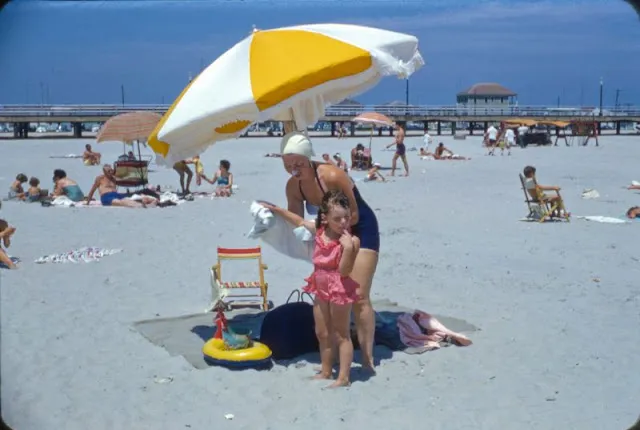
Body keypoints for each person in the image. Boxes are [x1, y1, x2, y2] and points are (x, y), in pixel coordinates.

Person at [280, 129, 379, 370]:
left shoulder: (332, 175)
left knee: (360, 296)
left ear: (309, 158)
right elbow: (297, 219)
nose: (294, 168)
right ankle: (334, 357)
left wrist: (323, 229)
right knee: (332, 293)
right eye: (288, 164)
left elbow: (353, 214)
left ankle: (367, 358)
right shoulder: (294, 186)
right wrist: (271, 215)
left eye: (299, 163)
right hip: (331, 230)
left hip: (360, 228)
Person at [262, 190, 359, 388]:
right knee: (322, 331)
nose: (343, 223)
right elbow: (298, 221)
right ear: (325, 217)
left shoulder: (351, 241)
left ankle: (344, 377)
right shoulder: (320, 231)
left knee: (341, 333)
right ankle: (325, 370)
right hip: (320, 284)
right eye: (337, 218)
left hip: (339, 286)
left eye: (346, 218)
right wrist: (276, 209)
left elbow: (345, 271)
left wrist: (348, 249)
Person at [85, 164, 158, 208]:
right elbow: (92, 190)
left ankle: (152, 201)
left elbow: (125, 178)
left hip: (117, 194)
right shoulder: (100, 178)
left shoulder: (114, 178)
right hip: (106, 197)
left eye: (111, 170)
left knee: (133, 197)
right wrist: (88, 202)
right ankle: (140, 206)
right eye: (108, 171)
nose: (111, 172)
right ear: (104, 172)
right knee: (121, 202)